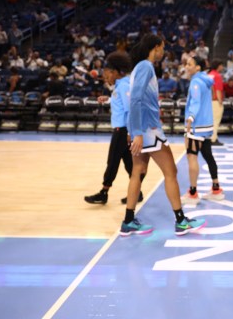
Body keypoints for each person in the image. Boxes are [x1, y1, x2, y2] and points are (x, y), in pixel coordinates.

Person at [123, 34, 205, 236]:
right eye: (162, 48)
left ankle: (128, 221)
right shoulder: (145, 66)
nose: (163, 52)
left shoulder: (139, 67)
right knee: (171, 172)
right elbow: (135, 100)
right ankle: (181, 221)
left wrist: (133, 130)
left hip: (140, 128)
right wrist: (138, 133)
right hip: (148, 130)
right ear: (155, 47)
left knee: (138, 171)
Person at [84, 52, 146, 206]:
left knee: (112, 161)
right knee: (129, 164)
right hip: (124, 130)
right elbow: (123, 102)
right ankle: (137, 193)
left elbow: (130, 109)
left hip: (123, 130)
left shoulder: (124, 85)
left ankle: (103, 193)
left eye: (107, 74)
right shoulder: (121, 85)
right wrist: (109, 99)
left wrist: (131, 133)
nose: (106, 78)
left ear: (116, 72)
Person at [181, 56, 225, 205]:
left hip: (196, 125)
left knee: (192, 157)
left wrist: (190, 118)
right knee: (208, 155)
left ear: (198, 67)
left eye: (189, 64)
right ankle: (216, 189)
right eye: (186, 64)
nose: (186, 66)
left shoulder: (195, 82)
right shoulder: (205, 80)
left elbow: (195, 102)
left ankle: (193, 193)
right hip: (206, 125)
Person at [208, 59, 225, 146]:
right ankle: (213, 139)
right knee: (216, 121)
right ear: (218, 66)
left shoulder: (209, 75)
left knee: (210, 121)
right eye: (221, 65)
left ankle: (212, 137)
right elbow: (218, 89)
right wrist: (220, 101)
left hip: (208, 101)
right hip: (215, 101)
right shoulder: (217, 76)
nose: (222, 67)